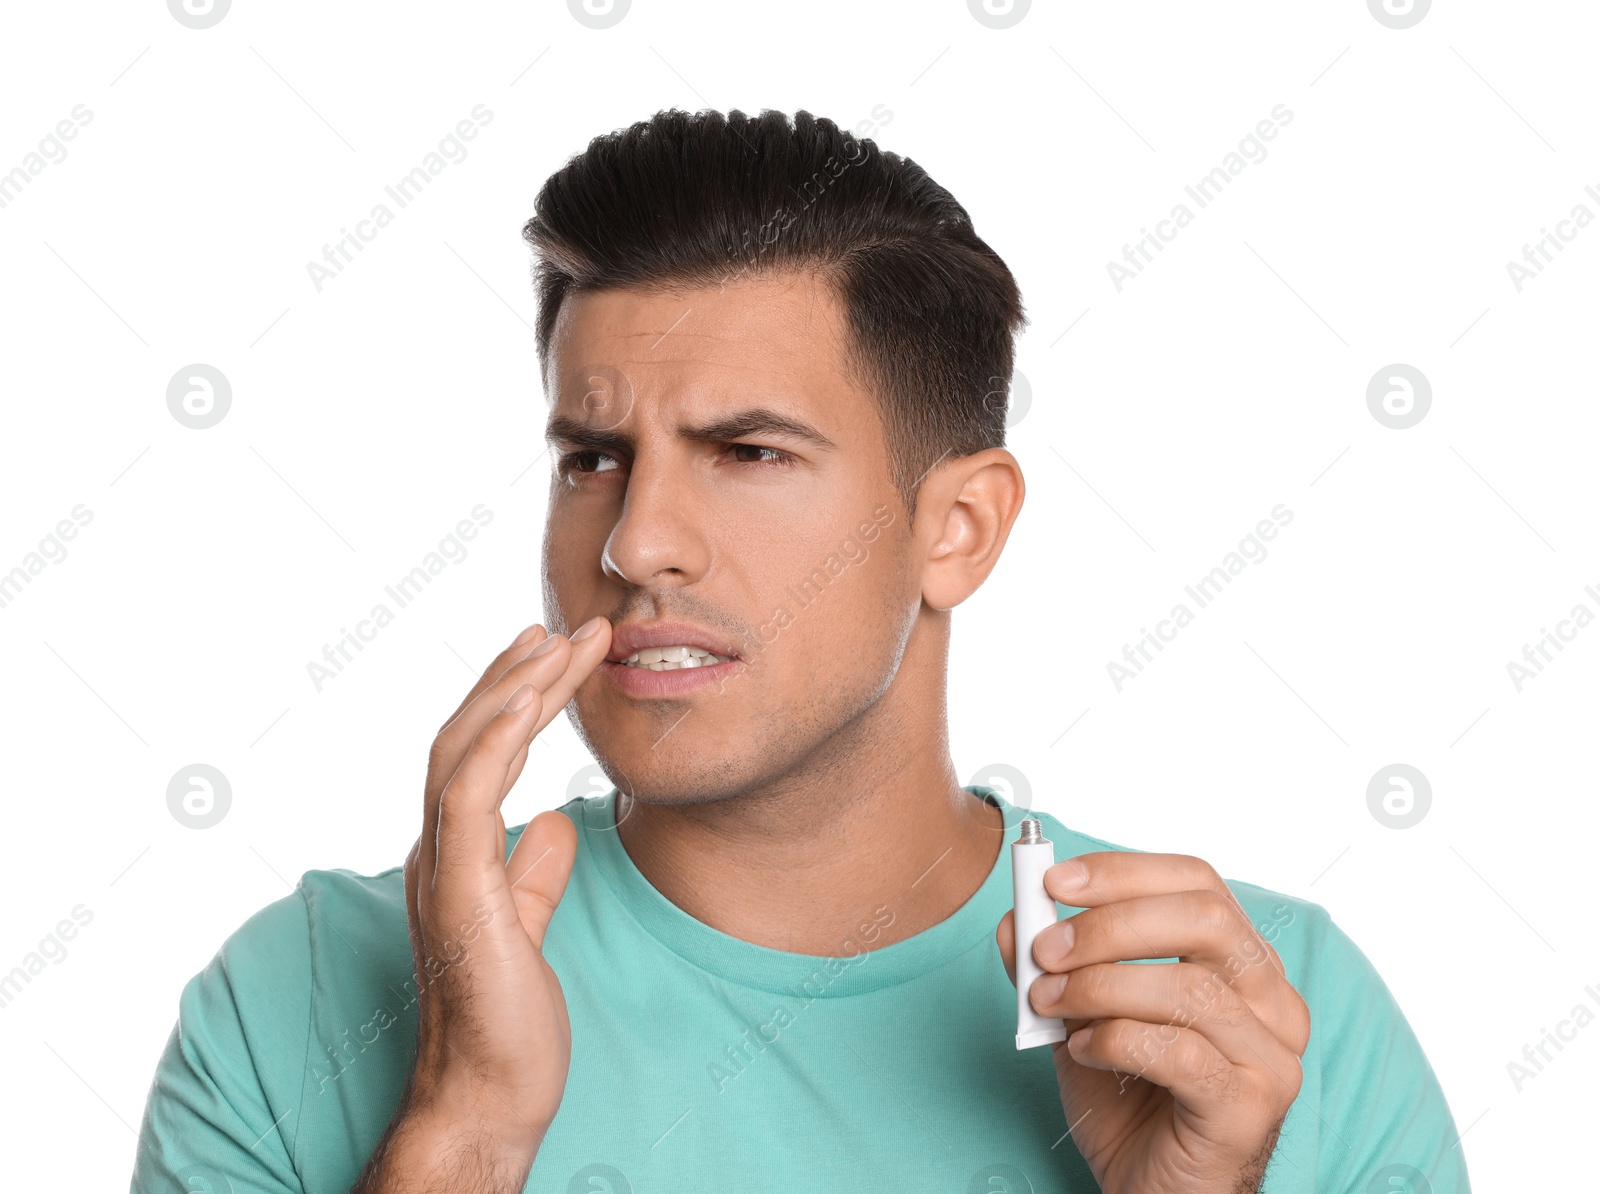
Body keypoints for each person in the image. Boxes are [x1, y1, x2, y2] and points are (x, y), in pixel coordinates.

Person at [130, 108, 1471, 1193]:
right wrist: (462, 1135)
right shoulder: (304, 996)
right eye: (595, 458)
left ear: (957, 527)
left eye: (749, 452)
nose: (638, 540)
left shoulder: (1265, 1022)